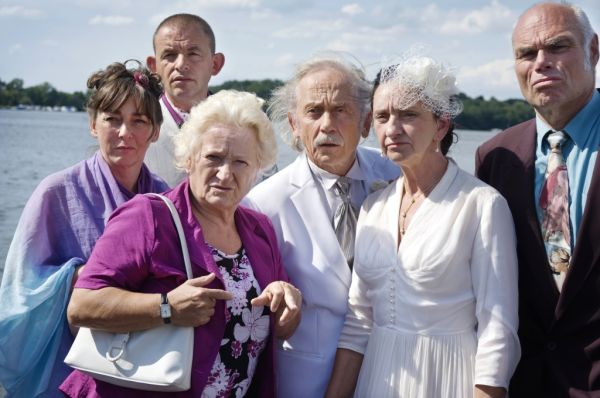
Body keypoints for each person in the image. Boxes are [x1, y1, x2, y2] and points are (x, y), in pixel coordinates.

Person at [60, 90, 302, 397]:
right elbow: (81, 306)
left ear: (257, 170)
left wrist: (288, 301)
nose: (225, 173)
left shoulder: (260, 230)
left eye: (241, 162)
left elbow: (280, 328)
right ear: (189, 158)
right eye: (213, 157)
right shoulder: (148, 215)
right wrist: (165, 308)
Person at [326, 55, 521, 398]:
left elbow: (498, 328)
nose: (392, 129)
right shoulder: (373, 206)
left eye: (408, 115)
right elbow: (358, 322)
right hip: (377, 378)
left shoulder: (481, 205)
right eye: (383, 117)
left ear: (441, 126)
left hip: (447, 379)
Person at [0, 61, 168, 397]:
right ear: (93, 124)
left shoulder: (164, 198)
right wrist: (82, 278)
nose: (125, 133)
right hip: (66, 364)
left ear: (155, 131)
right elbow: (19, 293)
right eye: (113, 119)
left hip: (142, 364)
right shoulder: (57, 191)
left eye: (139, 121)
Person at [244, 55, 400, 397]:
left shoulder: (397, 176)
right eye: (314, 111)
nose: (327, 124)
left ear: (365, 122)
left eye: (341, 110)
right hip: (308, 379)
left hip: (394, 371)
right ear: (294, 124)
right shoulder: (263, 204)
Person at [476, 2, 600, 396]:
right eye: (526, 53)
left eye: (558, 47)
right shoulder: (495, 157)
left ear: (593, 51)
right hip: (524, 383)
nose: (541, 62)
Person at [145, 13, 225, 186]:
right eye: (169, 55)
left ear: (215, 64)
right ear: (154, 66)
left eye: (193, 53)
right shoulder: (137, 132)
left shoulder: (246, 128)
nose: (181, 64)